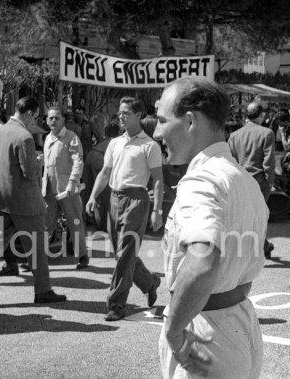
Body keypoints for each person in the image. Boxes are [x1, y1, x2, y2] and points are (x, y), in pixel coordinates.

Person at [154, 77, 267, 379]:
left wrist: (175, 329)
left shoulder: (201, 180)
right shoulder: (244, 180)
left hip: (204, 329)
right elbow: (243, 270)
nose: (157, 132)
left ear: (190, 121)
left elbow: (203, 263)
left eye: (162, 121)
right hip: (240, 322)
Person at [0, 96, 66, 303]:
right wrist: (37, 162)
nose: (34, 121)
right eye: (35, 117)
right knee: (36, 246)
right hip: (25, 201)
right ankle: (43, 290)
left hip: (2, 197)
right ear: (28, 113)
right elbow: (29, 173)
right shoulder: (24, 136)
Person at [86, 96, 163, 321]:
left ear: (139, 116)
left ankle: (117, 304)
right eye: (119, 113)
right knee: (121, 253)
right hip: (113, 198)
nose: (121, 116)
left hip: (137, 200)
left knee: (126, 252)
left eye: (126, 113)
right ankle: (150, 282)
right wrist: (93, 197)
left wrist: (157, 211)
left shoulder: (150, 145)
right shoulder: (114, 143)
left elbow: (158, 179)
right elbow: (105, 173)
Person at [42, 107, 89, 269]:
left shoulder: (71, 137)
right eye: (50, 118)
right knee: (45, 224)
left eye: (56, 118)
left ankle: (82, 256)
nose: (53, 121)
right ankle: (38, 258)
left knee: (75, 222)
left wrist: (72, 182)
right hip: (49, 189)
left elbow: (78, 161)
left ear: (63, 120)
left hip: (67, 189)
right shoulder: (48, 138)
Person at [228, 102, 275, 259]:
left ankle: (264, 245)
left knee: (248, 215)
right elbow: (269, 162)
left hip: (241, 181)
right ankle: (260, 247)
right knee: (259, 216)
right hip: (259, 180)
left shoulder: (234, 136)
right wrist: (269, 183)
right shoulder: (267, 133)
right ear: (261, 115)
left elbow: (231, 161)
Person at [82, 122, 120, 231]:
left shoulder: (105, 141)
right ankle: (105, 224)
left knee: (88, 189)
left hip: (91, 155)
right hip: (100, 158)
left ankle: (88, 220)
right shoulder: (116, 142)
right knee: (106, 194)